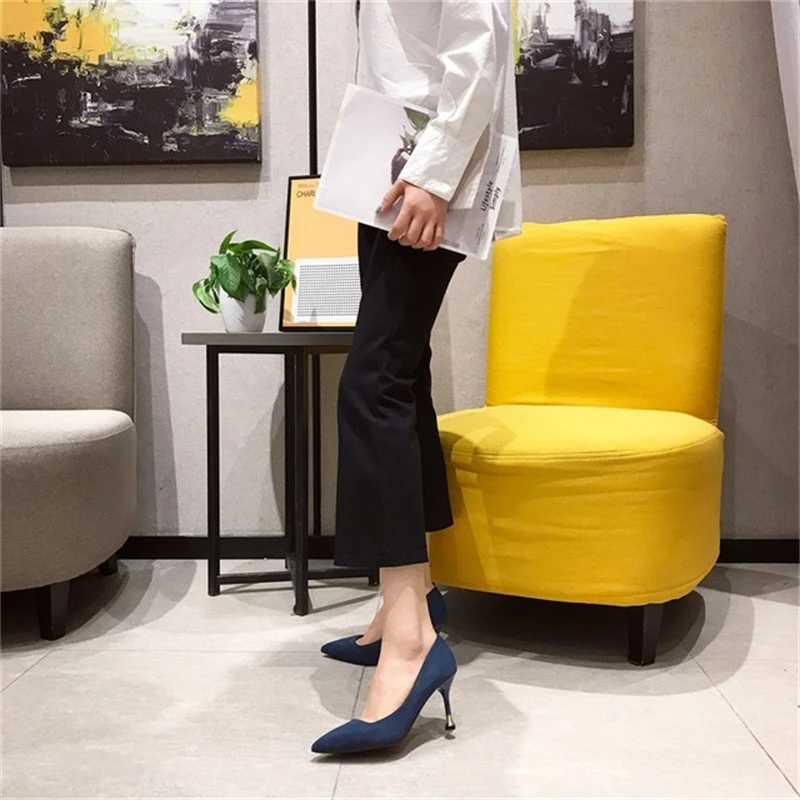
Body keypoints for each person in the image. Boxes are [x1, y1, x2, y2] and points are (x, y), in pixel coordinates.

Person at [312, 0, 523, 755]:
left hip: (429, 170)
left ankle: (411, 642)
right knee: (401, 374)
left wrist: (433, 175)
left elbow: (480, 43)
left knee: (372, 383)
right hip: (394, 164)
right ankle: (408, 605)